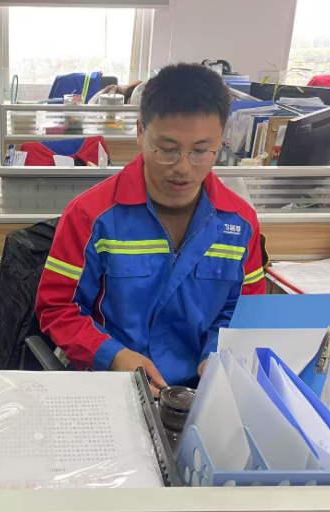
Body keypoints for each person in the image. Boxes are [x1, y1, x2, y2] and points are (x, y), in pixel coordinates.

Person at [36, 64, 266, 394]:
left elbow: (243, 311)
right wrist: (112, 355)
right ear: (141, 131)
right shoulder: (91, 217)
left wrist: (217, 355)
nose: (183, 167)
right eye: (167, 149)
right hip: (113, 383)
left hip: (200, 390)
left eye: (201, 150)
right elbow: (58, 308)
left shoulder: (240, 222)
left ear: (221, 142)